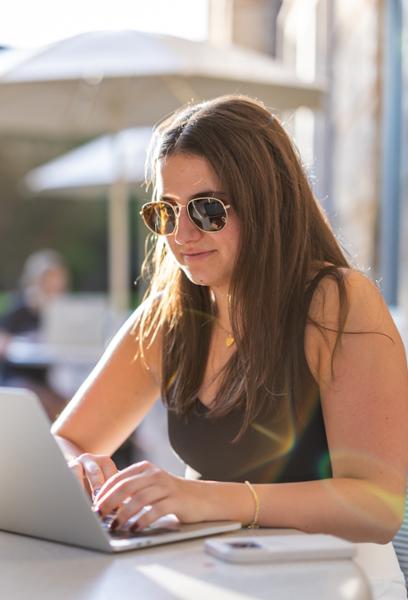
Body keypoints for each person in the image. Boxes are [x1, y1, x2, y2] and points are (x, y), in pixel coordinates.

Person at [52, 95, 408, 544]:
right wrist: (76, 468)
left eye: (207, 209)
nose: (182, 235)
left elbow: (376, 506)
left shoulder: (335, 302)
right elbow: (69, 439)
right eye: (167, 211)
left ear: (267, 204)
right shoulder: (171, 315)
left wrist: (206, 498)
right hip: (212, 572)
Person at [0, 249, 70, 419]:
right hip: (16, 383)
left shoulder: (59, 313)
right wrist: (17, 345)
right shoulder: (18, 309)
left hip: (43, 382)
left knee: (75, 406)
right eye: (47, 280)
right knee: (56, 409)